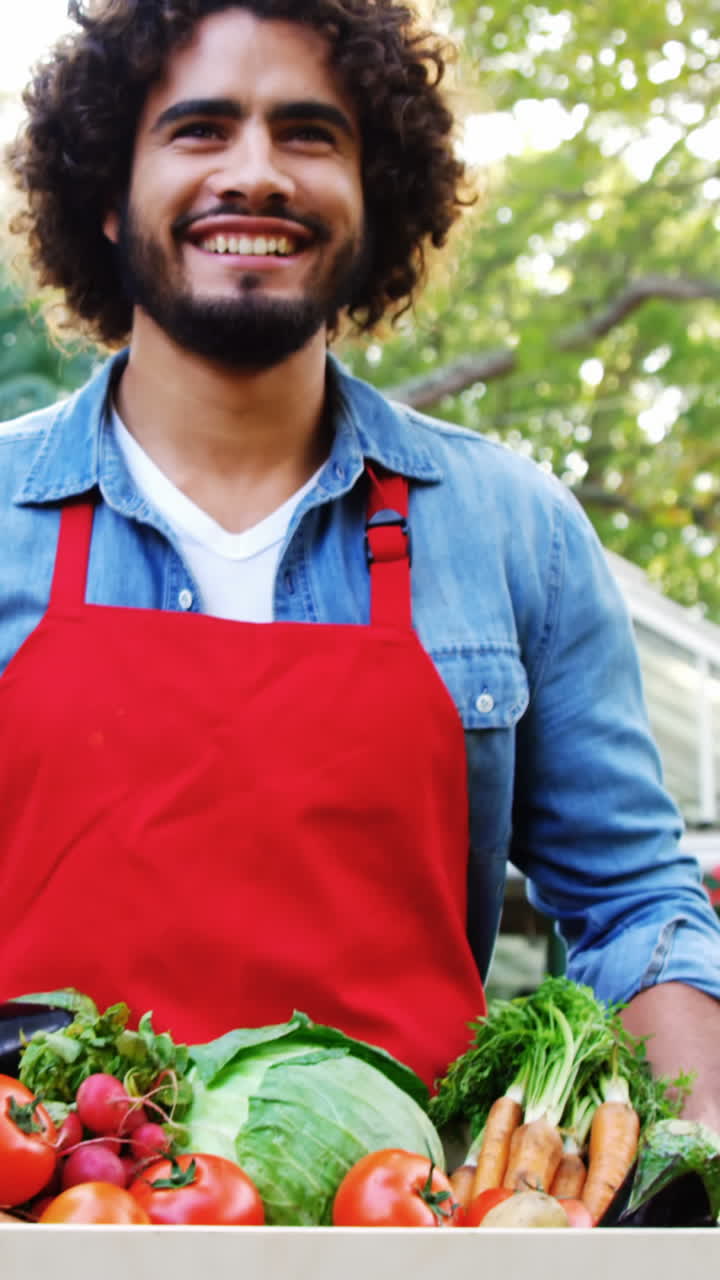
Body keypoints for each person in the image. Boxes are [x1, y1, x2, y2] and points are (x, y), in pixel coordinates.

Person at [1, 0, 720, 1116]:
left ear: (376, 197)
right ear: (104, 191)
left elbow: (634, 906)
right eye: (198, 129)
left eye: (307, 133)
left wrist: (695, 1159)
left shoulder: (509, 526)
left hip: (405, 1218)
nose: (256, 173)